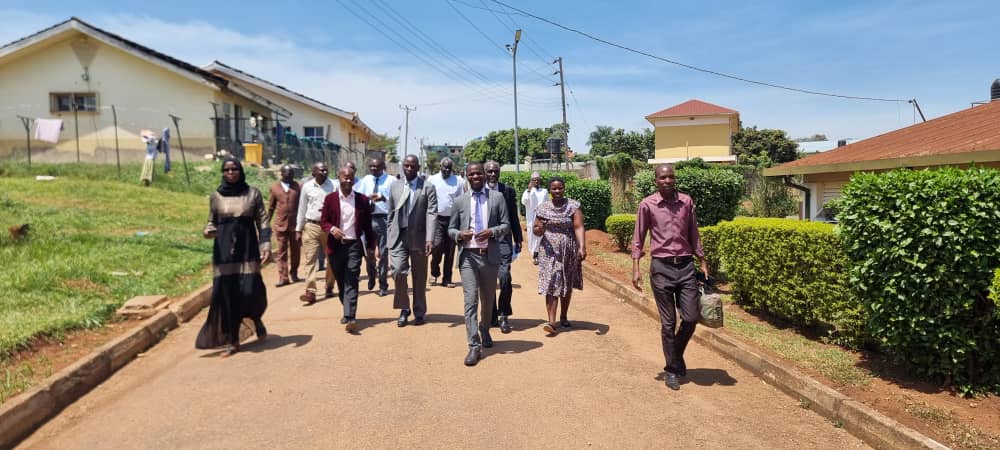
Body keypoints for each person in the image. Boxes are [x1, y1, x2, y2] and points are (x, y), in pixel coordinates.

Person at [630, 164, 709, 391]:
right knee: (668, 323)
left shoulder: (687, 202)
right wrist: (635, 267)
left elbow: (694, 232)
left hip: (685, 267)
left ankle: (676, 355)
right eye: (663, 177)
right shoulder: (647, 205)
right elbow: (639, 237)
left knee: (691, 318)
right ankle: (672, 369)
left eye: (671, 177)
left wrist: (702, 260)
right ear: (656, 180)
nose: (667, 180)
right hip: (661, 269)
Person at [196, 158, 270, 357]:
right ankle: (232, 340)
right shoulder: (216, 196)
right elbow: (211, 222)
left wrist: (265, 244)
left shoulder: (253, 193)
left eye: (234, 169)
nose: (231, 172)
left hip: (248, 249)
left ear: (240, 170)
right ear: (223, 172)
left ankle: (255, 317)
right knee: (227, 295)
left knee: (250, 289)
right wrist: (208, 230)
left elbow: (262, 221)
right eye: (227, 170)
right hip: (224, 252)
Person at [449, 162, 510, 366]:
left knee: (487, 300)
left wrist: (492, 231)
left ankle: (484, 328)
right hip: (468, 256)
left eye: (478, 173)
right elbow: (451, 229)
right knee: (470, 300)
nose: (475, 176)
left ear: (484, 175)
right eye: (471, 174)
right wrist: (459, 234)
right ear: (466, 176)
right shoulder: (459, 201)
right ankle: (474, 345)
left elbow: (506, 225)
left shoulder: (497, 198)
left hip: (489, 255)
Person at [320, 167, 376, 332]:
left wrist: (372, 247)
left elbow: (367, 227)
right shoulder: (330, 199)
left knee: (352, 278)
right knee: (341, 281)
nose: (348, 180)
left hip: (354, 245)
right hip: (336, 247)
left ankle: (351, 316)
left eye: (351, 178)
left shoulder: (362, 200)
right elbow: (324, 221)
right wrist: (332, 229)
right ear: (339, 177)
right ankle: (347, 309)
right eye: (345, 177)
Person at [386, 155, 437, 327]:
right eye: (406, 165)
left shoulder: (427, 187)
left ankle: (419, 311)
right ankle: (404, 308)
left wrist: (430, 238)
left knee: (420, 276)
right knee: (399, 272)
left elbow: (432, 213)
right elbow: (391, 212)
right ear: (402, 166)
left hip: (420, 238)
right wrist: (388, 234)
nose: (409, 169)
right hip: (398, 236)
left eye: (412, 166)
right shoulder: (394, 186)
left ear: (418, 167)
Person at [533, 176, 586, 336]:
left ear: (564, 188)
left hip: (568, 248)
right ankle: (551, 321)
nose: (557, 191)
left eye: (560, 188)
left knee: (566, 282)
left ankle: (563, 316)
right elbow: (535, 229)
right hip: (548, 249)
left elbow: (578, 226)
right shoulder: (543, 208)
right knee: (551, 281)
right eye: (554, 188)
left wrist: (582, 247)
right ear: (550, 190)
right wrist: (539, 229)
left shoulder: (573, 206)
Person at [484, 161, 523, 334]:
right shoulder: (477, 190)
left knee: (504, 277)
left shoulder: (507, 191)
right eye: (489, 171)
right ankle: (491, 314)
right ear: (485, 173)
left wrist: (518, 237)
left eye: (495, 171)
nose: (492, 174)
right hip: (484, 241)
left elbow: (513, 215)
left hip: (504, 239)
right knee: (487, 280)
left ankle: (504, 314)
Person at [296, 162, 336, 304]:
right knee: (310, 259)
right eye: (321, 170)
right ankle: (310, 292)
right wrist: (298, 229)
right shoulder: (307, 187)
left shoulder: (334, 186)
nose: (324, 173)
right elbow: (302, 208)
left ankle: (329, 285)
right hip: (311, 226)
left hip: (329, 227)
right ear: (314, 173)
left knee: (331, 258)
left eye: (326, 170)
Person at [357, 157, 395, 296]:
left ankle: (383, 284)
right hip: (367, 219)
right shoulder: (366, 179)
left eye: (376, 166)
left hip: (383, 219)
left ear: (383, 166)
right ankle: (371, 274)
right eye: (371, 166)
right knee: (369, 253)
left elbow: (397, 200)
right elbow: (358, 196)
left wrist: (384, 198)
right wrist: (368, 199)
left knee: (384, 253)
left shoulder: (391, 181)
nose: (373, 169)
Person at [428, 157, 464, 287]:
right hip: (437, 219)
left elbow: (462, 200)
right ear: (440, 167)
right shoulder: (432, 179)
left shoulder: (458, 181)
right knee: (436, 246)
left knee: (450, 251)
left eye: (449, 167)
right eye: (445, 167)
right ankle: (434, 271)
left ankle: (447, 279)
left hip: (453, 220)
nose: (447, 170)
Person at [268, 164, 302, 287]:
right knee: (281, 252)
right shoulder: (274, 187)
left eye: (292, 174)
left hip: (295, 225)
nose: (291, 176)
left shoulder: (298, 186)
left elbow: (302, 204)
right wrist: (266, 222)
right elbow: (271, 207)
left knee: (296, 251)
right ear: (282, 174)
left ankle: (294, 273)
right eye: (288, 174)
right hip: (281, 224)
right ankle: (283, 277)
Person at [521, 172, 549, 265]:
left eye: (537, 179)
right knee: (532, 236)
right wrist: (529, 191)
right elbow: (524, 202)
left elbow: (547, 203)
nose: (536, 181)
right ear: (531, 181)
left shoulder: (544, 191)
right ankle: (534, 252)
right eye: (534, 180)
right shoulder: (527, 191)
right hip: (531, 218)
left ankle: (536, 254)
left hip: (541, 217)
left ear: (540, 180)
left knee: (540, 235)